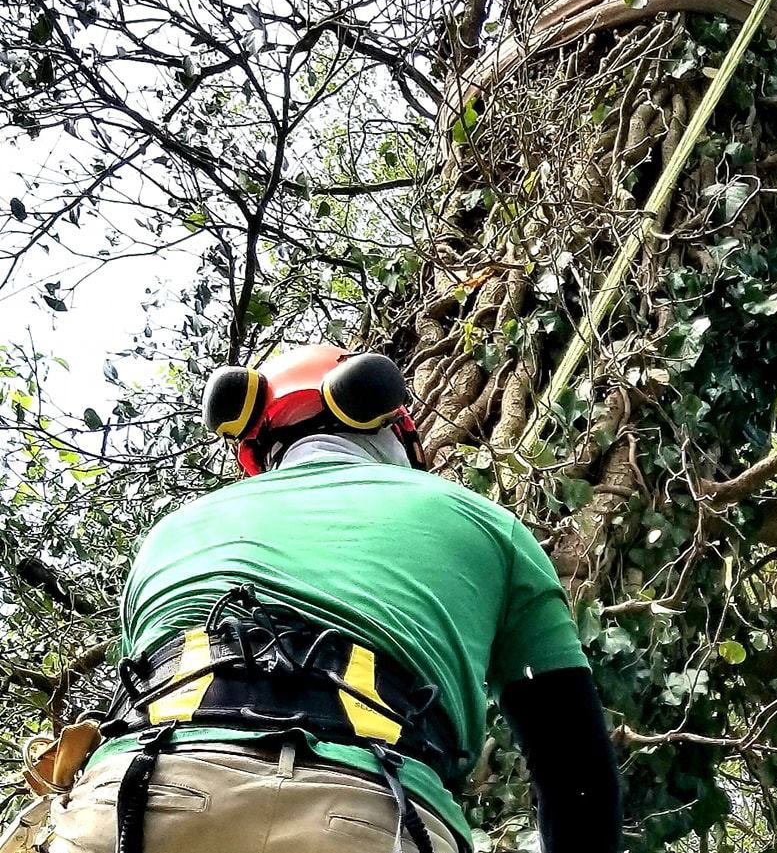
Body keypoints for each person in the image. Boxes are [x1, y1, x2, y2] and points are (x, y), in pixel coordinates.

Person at [47, 344, 622, 853]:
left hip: (134, 800)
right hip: (372, 818)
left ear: (258, 452)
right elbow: (575, 769)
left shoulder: (170, 534)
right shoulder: (487, 525)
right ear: (395, 432)